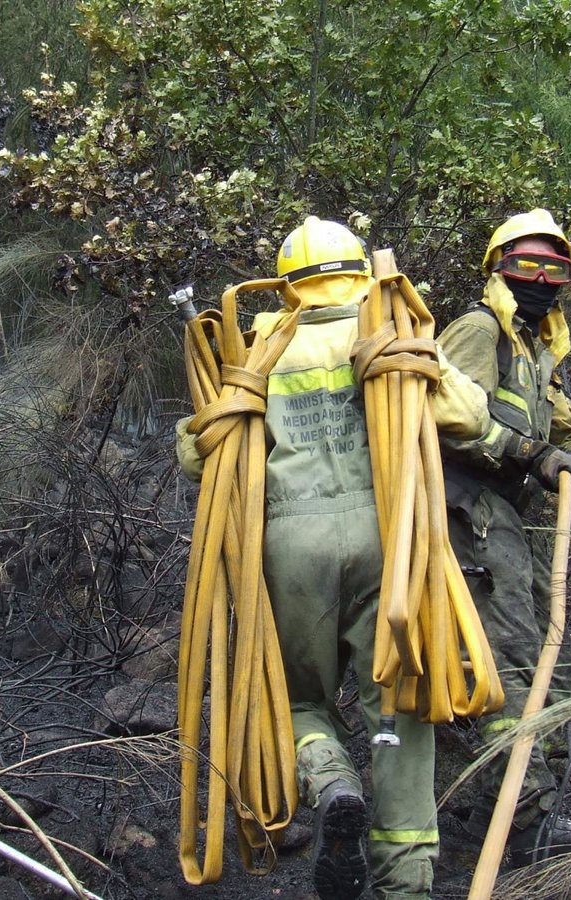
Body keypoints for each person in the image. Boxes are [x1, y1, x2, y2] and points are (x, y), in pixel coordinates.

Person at [177, 216, 488, 900]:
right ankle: (406, 878)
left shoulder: (256, 346)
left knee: (292, 696)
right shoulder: (393, 332)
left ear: (286, 283)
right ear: (359, 273)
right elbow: (469, 417)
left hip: (290, 545)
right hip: (391, 538)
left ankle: (331, 780)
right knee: (399, 703)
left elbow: (200, 453)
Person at [435, 208, 571, 864]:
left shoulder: (536, 347)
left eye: (555, 269)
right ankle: (528, 821)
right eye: (526, 265)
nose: (541, 280)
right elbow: (444, 418)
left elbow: (568, 430)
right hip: (467, 514)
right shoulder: (479, 330)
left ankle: (492, 803)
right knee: (509, 657)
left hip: (505, 518)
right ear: (497, 268)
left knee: (545, 648)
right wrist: (531, 454)